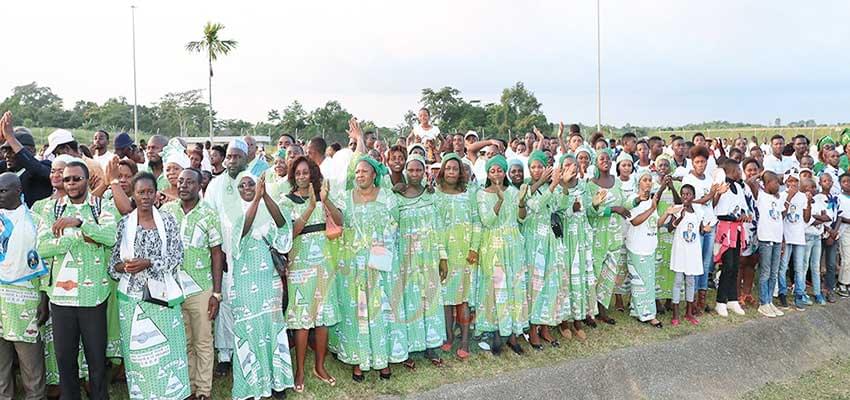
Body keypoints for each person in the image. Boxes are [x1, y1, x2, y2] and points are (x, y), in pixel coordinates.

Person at [37, 161, 117, 400]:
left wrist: (80, 224)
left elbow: (111, 237)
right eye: (67, 179)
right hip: (61, 298)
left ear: (88, 180)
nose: (71, 183)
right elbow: (41, 247)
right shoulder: (52, 209)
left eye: (76, 178)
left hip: (94, 298)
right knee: (65, 360)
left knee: (96, 360)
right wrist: (72, 239)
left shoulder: (102, 206)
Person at [109, 172, 190, 400]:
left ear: (156, 194)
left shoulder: (167, 221)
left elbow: (176, 256)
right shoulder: (124, 224)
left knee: (168, 350)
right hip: (133, 300)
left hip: (162, 299)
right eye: (140, 192)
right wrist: (124, 267)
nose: (145, 196)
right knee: (139, 353)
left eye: (149, 192)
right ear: (132, 195)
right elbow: (112, 263)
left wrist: (148, 263)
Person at [332, 156, 406, 381]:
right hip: (354, 265)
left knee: (381, 311)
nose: (360, 175)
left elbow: (395, 225)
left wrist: (378, 250)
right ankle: (359, 361)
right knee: (359, 313)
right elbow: (340, 222)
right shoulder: (346, 198)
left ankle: (382, 361)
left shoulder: (387, 196)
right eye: (357, 172)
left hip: (380, 262)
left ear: (374, 174)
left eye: (364, 171)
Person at [228, 172, 293, 399]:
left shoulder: (267, 211)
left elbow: (284, 226)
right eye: (242, 185)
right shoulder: (233, 213)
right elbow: (241, 233)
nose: (247, 187)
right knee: (249, 329)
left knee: (272, 327)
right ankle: (253, 385)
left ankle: (278, 382)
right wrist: (256, 199)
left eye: (251, 184)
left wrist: (265, 198)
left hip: (269, 282)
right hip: (244, 285)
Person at [160, 169, 224, 400]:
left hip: (201, 288)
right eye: (180, 182)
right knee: (183, 341)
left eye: (189, 182)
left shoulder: (209, 214)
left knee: (203, 341)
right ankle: (188, 388)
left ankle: (204, 391)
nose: (184, 186)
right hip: (174, 288)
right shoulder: (166, 212)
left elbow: (217, 254)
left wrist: (216, 294)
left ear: (200, 186)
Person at [280, 156, 342, 392]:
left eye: (306, 172)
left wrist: (324, 202)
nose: (302, 176)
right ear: (293, 176)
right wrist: (309, 208)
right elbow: (289, 234)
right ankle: (299, 371)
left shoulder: (322, 195)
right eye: (298, 173)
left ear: (313, 174)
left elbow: (339, 221)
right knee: (302, 320)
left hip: (323, 265)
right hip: (299, 267)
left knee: (323, 316)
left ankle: (320, 366)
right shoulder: (286, 202)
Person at [0, 172, 49, 400]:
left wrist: (44, 298)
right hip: (0, 299)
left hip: (25, 301)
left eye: (3, 190)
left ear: (18, 191)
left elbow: (45, 263)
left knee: (31, 367)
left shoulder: (35, 221)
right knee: (1, 367)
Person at [204, 139, 250, 376]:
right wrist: (217, 247)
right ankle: (224, 355)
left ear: (246, 158)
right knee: (226, 304)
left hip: (250, 255)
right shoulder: (215, 185)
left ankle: (248, 350)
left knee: (247, 303)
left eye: (236, 156)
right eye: (229, 156)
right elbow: (209, 217)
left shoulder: (252, 182)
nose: (231, 161)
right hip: (224, 254)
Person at [475, 154, 528, 355]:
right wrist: (498, 200)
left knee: (513, 288)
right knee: (497, 288)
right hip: (493, 245)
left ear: (504, 171)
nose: (496, 173)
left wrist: (521, 203)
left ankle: (513, 335)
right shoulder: (481, 194)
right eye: (492, 170)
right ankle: (497, 332)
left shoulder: (515, 192)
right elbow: (487, 221)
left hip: (513, 245)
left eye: (499, 170)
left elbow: (521, 219)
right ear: (487, 173)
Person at [434, 154, 480, 358]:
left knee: (463, 298)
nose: (452, 172)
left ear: (461, 172)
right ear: (443, 171)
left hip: (465, 253)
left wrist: (474, 248)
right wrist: (440, 255)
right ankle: (448, 336)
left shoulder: (470, 193)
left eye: (456, 168)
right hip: (445, 253)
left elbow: (477, 221)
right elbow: (434, 226)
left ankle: (465, 340)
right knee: (446, 298)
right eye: (448, 168)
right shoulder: (435, 195)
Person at [521, 151, 567, 349]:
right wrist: (554, 185)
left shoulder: (551, 187)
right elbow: (536, 206)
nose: (538, 170)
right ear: (529, 169)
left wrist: (563, 186)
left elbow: (560, 207)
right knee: (535, 284)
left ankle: (545, 326)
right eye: (534, 167)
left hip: (551, 241)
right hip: (534, 243)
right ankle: (532, 329)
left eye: (541, 166)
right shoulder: (525, 188)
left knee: (550, 283)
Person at [624, 172, 676, 328]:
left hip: (650, 246)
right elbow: (634, 221)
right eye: (644, 180)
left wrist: (666, 212)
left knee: (648, 282)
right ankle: (647, 315)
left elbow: (656, 224)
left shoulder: (653, 201)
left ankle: (636, 309)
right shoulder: (632, 201)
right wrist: (651, 208)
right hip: (637, 247)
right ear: (638, 183)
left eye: (650, 180)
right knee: (642, 283)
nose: (648, 183)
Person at [587, 150, 629, 326]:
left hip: (615, 235)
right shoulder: (590, 185)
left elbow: (624, 205)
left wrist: (637, 202)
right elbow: (590, 212)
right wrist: (613, 209)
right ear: (596, 163)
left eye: (607, 158)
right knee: (595, 274)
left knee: (609, 274)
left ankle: (603, 309)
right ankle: (590, 312)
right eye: (601, 158)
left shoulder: (617, 182)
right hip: (598, 235)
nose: (605, 161)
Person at [682, 145, 720, 315]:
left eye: (703, 161)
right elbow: (690, 202)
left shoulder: (708, 179)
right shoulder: (688, 180)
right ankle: (692, 300)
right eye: (697, 162)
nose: (700, 165)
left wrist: (717, 194)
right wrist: (711, 194)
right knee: (696, 263)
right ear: (692, 162)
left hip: (710, 223)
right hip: (697, 225)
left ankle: (702, 299)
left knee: (706, 262)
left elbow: (711, 203)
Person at [746, 171, 787, 318]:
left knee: (774, 272)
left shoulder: (777, 198)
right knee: (765, 272)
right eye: (775, 182)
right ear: (767, 184)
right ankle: (763, 303)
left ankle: (770, 301)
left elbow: (780, 221)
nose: (778, 185)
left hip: (777, 239)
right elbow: (750, 182)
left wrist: (782, 240)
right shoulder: (761, 196)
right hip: (766, 239)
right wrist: (761, 174)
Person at [712, 159, 748, 317]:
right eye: (738, 169)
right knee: (727, 265)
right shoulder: (721, 186)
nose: (740, 172)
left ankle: (732, 299)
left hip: (737, 228)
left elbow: (743, 207)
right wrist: (718, 193)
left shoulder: (739, 188)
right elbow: (714, 206)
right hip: (724, 229)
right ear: (729, 170)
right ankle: (720, 301)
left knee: (735, 266)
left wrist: (745, 215)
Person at [668, 184, 704, 326]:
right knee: (677, 281)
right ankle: (675, 313)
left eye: (688, 194)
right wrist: (679, 218)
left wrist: (704, 228)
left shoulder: (698, 211)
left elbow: (700, 229)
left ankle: (689, 312)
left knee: (690, 281)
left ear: (693, 196)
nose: (685, 197)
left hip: (693, 252)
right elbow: (670, 228)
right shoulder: (678, 210)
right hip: (680, 251)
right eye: (683, 194)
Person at [0, 112, 52, 207]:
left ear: (31, 151)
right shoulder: (4, 168)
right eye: (5, 151)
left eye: (12, 150)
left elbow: (36, 168)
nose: (7, 155)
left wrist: (11, 138)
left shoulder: (45, 166)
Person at [779, 172, 810, 310]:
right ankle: (782, 293)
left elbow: (807, 218)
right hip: (786, 236)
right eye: (790, 181)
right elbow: (781, 214)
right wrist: (789, 197)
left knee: (799, 267)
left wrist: (808, 203)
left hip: (799, 236)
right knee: (783, 266)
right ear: (786, 182)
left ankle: (799, 294)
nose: (793, 184)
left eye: (795, 181)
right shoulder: (781, 195)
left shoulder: (803, 196)